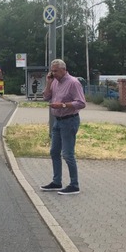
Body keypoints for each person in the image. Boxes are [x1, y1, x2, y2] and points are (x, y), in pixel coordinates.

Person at [40, 59, 87, 195]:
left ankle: (74, 184)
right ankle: (56, 181)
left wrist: (63, 105)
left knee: (67, 154)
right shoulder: (54, 82)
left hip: (69, 120)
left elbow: (81, 103)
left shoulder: (73, 82)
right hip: (58, 121)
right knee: (54, 152)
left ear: (63, 69)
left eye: (55, 71)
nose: (53, 73)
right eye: (52, 71)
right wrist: (48, 82)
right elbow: (46, 97)